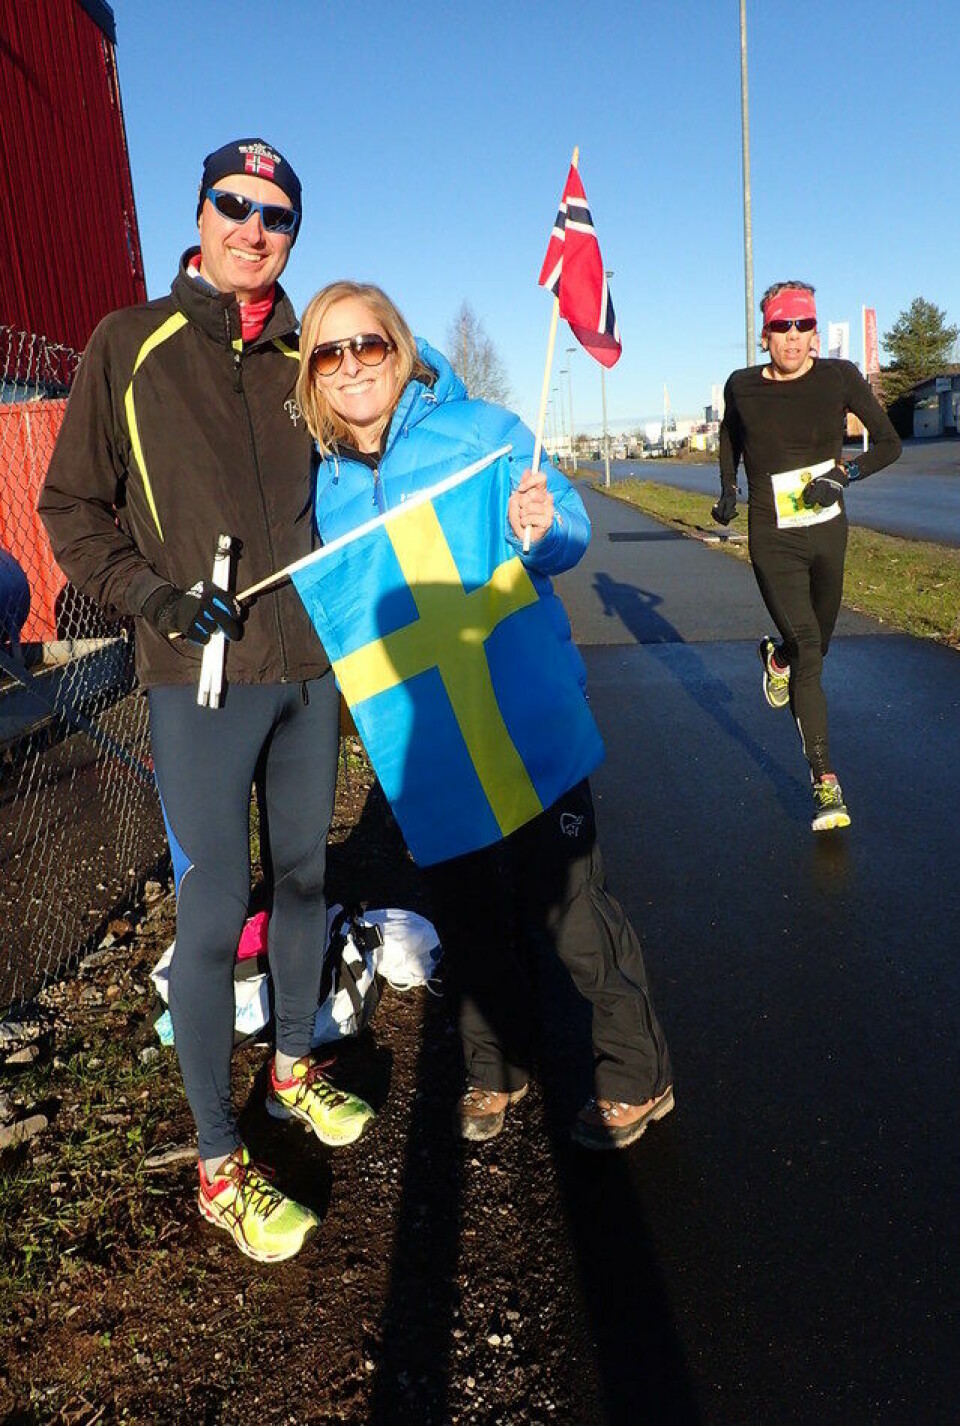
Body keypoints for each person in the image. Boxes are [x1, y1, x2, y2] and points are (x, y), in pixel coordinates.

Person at [39, 139, 373, 1264]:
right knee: (217, 904)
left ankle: (289, 1067)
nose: (253, 226)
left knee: (309, 875)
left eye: (276, 214)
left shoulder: (305, 352)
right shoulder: (130, 343)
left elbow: (386, 448)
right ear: (201, 212)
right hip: (201, 677)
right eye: (234, 205)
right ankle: (221, 1162)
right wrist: (152, 599)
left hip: (306, 669)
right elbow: (72, 506)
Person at [294, 280, 673, 1151]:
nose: (351, 365)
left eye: (368, 345)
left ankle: (636, 1072)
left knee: (574, 913)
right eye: (329, 352)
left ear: (400, 346)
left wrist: (541, 527)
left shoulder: (484, 432)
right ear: (312, 375)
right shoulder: (325, 491)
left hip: (526, 712)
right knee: (468, 917)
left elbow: (567, 532)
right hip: (431, 744)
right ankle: (495, 1069)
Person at [713, 280, 901, 831]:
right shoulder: (742, 386)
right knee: (811, 648)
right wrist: (729, 488)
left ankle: (777, 659)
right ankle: (825, 783)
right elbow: (729, 436)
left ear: (815, 332)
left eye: (802, 326)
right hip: (774, 537)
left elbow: (888, 443)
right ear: (764, 333)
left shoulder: (839, 377)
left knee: (817, 641)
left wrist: (844, 476)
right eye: (780, 327)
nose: (792, 338)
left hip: (827, 532)